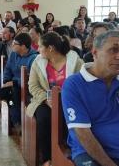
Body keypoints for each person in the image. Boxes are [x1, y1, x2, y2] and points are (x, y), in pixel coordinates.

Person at [62, 30, 119, 166]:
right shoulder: (74, 84)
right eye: (113, 50)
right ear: (94, 52)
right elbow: (83, 133)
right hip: (89, 153)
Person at [27, 32, 83, 166]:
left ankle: (70, 152)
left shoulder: (76, 62)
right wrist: (46, 99)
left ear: (50, 48)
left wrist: (67, 100)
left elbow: (83, 85)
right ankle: (47, 158)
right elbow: (33, 86)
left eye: (40, 47)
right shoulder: (38, 62)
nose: (38, 49)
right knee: (44, 117)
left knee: (70, 116)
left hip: (70, 101)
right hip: (44, 101)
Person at [3, 32, 38, 130]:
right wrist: (6, 80)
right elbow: (8, 68)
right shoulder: (14, 54)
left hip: (26, 86)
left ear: (23, 46)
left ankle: (17, 122)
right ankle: (15, 119)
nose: (12, 45)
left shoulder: (33, 58)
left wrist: (14, 82)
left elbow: (31, 78)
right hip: (14, 83)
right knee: (5, 94)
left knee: (13, 95)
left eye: (15, 44)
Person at [0, 26, 15, 110]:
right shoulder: (1, 45)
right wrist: (2, 43)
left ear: (12, 34)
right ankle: (1, 100)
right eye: (2, 33)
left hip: (15, 69)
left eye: (5, 33)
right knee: (0, 79)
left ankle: (11, 103)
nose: (3, 35)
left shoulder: (16, 44)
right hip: (4, 68)